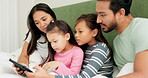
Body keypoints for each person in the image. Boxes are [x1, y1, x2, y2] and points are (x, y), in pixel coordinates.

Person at [25, 14, 114, 78]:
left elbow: (84, 76)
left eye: (80, 31)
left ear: (94, 32)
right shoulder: (86, 48)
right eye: (75, 32)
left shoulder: (100, 48)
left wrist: (49, 76)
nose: (76, 35)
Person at [0, 3, 56, 77]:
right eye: (37, 23)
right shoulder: (33, 33)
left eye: (44, 19)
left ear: (52, 16)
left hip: (34, 64)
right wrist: (23, 66)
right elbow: (24, 55)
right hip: (18, 57)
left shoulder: (61, 33)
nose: (42, 25)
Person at [96, 0, 148, 78]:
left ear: (121, 13)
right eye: (98, 14)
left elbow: (144, 74)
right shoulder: (116, 42)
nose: (98, 20)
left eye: (103, 15)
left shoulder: (142, 27)